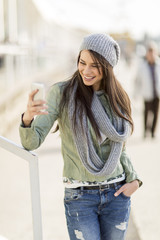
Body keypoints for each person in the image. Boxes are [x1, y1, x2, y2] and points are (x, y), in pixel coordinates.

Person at [19, 33, 142, 240]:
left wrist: (135, 180)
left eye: (95, 65)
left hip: (116, 194)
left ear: (108, 67)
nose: (86, 70)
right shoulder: (62, 93)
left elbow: (120, 148)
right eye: (82, 62)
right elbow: (31, 141)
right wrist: (28, 117)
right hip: (80, 197)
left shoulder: (118, 98)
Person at [135, 42, 160, 138]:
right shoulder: (142, 66)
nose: (151, 54)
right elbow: (137, 81)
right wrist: (136, 94)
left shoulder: (159, 64)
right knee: (146, 113)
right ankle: (146, 131)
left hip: (157, 93)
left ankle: (153, 132)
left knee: (156, 113)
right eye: (150, 52)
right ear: (147, 54)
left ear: (156, 52)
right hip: (147, 93)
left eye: (153, 52)